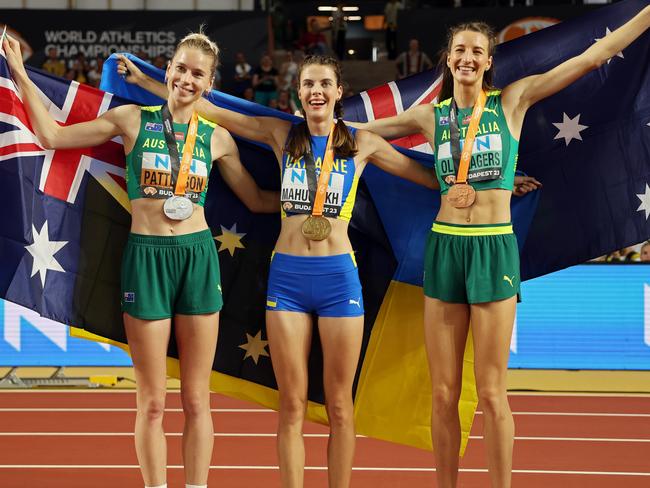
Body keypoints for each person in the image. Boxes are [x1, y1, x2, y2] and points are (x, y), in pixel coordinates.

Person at [353, 8, 650, 487]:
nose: (467, 58)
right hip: (445, 247)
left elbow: (595, 57)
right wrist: (307, 121)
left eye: (476, 51)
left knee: (491, 393)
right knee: (443, 391)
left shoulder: (513, 100)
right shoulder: (430, 116)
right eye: (459, 51)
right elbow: (359, 133)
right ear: (447, 61)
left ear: (489, 61)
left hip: (493, 249)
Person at [121, 53, 438, 488]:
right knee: (291, 405)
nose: (316, 92)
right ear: (298, 92)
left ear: (339, 92)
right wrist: (147, 80)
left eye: (325, 84)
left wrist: (492, 184)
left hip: (339, 279)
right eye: (308, 84)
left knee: (341, 406)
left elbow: (420, 175)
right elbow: (208, 108)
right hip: (287, 280)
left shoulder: (360, 143)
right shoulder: (279, 134)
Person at [3, 31, 278, 488]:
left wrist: (315, 204)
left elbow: (254, 199)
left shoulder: (219, 139)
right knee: (151, 401)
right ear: (167, 70)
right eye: (181, 68)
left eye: (198, 74)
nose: (187, 79)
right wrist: (18, 73)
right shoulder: (130, 120)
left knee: (196, 398)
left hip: (197, 260)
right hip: (146, 260)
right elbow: (52, 136)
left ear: (209, 84)